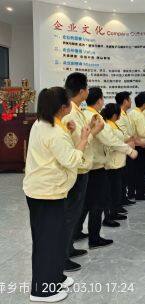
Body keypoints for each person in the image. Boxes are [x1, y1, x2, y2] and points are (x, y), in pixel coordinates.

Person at [23, 87, 91, 302]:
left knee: (53, 238)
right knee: (48, 242)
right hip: (47, 194)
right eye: (69, 102)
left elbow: (56, 150)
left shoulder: (43, 123)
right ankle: (42, 291)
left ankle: (55, 277)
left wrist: (69, 131)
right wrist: (83, 138)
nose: (71, 104)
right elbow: (71, 159)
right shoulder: (53, 131)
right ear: (62, 107)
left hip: (47, 191)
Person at [80, 87, 137, 248]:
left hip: (88, 165)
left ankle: (77, 231)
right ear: (99, 100)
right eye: (102, 99)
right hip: (96, 166)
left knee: (86, 202)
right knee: (98, 202)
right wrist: (129, 150)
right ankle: (94, 238)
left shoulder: (83, 114)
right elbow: (109, 139)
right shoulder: (95, 117)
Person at [62, 72, 104, 273]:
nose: (88, 91)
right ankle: (63, 256)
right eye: (87, 88)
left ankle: (68, 248)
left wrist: (91, 129)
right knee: (70, 213)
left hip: (82, 167)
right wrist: (94, 131)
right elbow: (79, 141)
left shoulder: (77, 110)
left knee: (75, 211)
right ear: (81, 91)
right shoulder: (70, 112)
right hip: (76, 169)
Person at [101, 103, 132, 225]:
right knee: (111, 191)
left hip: (118, 162)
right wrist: (128, 149)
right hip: (112, 163)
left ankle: (114, 211)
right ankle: (108, 216)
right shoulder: (108, 126)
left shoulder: (113, 124)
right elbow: (112, 143)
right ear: (115, 115)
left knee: (116, 189)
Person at [115, 91, 138, 206]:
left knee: (127, 175)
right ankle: (122, 199)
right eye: (129, 99)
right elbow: (122, 135)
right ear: (125, 101)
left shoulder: (125, 114)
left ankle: (124, 197)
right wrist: (131, 138)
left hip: (129, 148)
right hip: (124, 150)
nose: (131, 101)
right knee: (124, 176)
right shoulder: (119, 114)